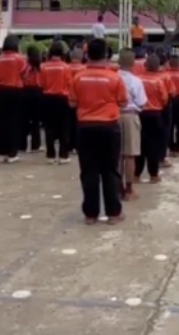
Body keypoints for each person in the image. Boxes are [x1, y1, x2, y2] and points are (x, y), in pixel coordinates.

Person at [71, 38, 128, 223]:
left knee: (89, 171)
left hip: (85, 127)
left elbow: (72, 102)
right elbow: (123, 101)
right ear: (106, 55)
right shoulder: (114, 77)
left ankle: (90, 214)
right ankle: (113, 213)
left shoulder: (78, 77)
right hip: (109, 127)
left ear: (87, 55)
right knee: (111, 170)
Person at [116, 48, 147, 200]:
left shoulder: (112, 78)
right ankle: (129, 190)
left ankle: (117, 188)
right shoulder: (136, 81)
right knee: (130, 155)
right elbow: (141, 103)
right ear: (133, 63)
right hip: (130, 116)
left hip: (113, 116)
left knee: (116, 155)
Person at [136, 55, 171, 183]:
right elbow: (165, 99)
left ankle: (136, 175)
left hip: (140, 113)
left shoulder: (137, 79)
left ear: (145, 65)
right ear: (157, 67)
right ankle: (153, 175)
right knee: (154, 146)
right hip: (155, 114)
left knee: (139, 144)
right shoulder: (159, 81)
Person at [0, 36, 27, 163]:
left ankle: (1, 152)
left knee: (3, 122)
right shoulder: (19, 58)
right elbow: (24, 72)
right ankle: (12, 153)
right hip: (16, 91)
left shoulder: (0, 58)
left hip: (2, 90)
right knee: (15, 122)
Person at [39, 42, 73, 164]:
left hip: (48, 98)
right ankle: (63, 155)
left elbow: (40, 84)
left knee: (49, 128)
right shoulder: (66, 67)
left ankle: (50, 155)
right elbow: (70, 84)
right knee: (64, 127)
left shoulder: (43, 67)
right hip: (63, 99)